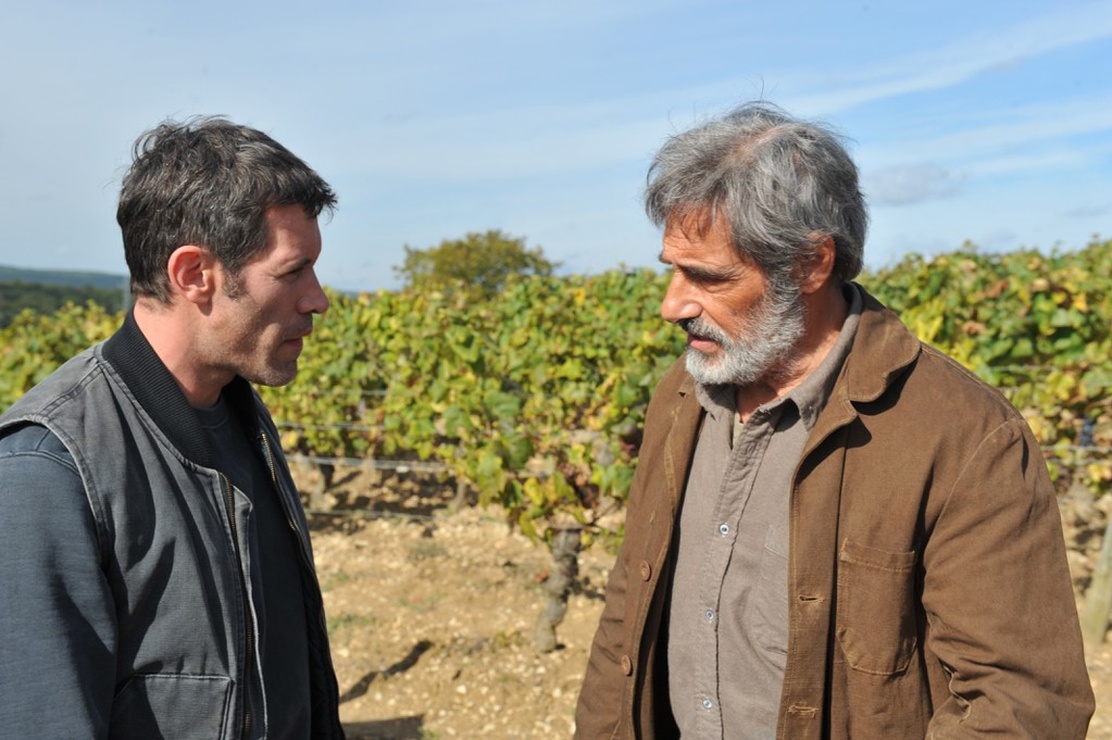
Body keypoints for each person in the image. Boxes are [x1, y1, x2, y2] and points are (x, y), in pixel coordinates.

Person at [575, 102, 1094, 739]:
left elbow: (1022, 705)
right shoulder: (681, 395)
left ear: (810, 265)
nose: (671, 304)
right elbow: (628, 609)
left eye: (708, 278)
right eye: (673, 270)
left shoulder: (964, 437)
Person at [0, 117, 346, 739]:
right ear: (194, 275)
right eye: (292, 271)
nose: (317, 299)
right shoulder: (46, 472)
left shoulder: (242, 417)